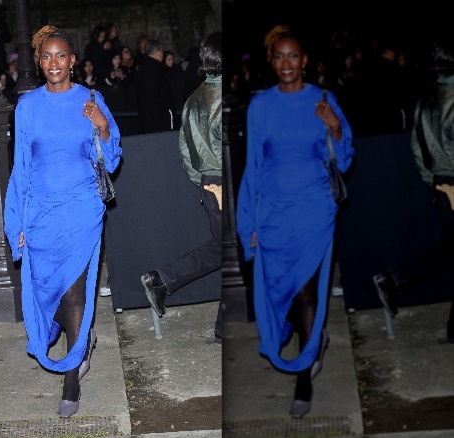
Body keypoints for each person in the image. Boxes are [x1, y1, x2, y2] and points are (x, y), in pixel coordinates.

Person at [235, 25, 354, 419]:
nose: (286, 63)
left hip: (314, 213)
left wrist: (334, 125)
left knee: (306, 293)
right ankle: (312, 339)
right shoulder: (260, 106)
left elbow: (345, 157)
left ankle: (304, 375)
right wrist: (247, 220)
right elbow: (252, 168)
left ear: (304, 61)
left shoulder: (323, 99)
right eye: (279, 57)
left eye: (293, 56)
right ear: (272, 62)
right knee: (277, 293)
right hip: (272, 214)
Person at [3, 25, 121, 419]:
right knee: (45, 293)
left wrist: (102, 126)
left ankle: (71, 378)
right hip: (40, 213)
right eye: (46, 57)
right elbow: (21, 168)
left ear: (73, 60)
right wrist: (15, 218)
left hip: (81, 211)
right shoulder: (28, 106)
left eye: (61, 56)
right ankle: (81, 338)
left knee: (73, 294)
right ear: (39, 62)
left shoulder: (91, 99)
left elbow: (112, 157)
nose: (54, 63)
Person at [140, 31, 224, 344]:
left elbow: (186, 152)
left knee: (222, 250)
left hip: (209, 186)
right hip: (225, 186)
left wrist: (204, 184)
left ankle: (161, 280)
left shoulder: (193, 100)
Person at [372, 37, 454, 343]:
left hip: (440, 185)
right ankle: (393, 278)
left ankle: (393, 279)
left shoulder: (426, 101)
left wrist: (434, 182)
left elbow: (418, 152)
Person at [134, 40, 175, 134]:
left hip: (146, 120)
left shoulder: (142, 68)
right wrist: (162, 125)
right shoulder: (156, 69)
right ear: (159, 51)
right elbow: (154, 97)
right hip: (160, 122)